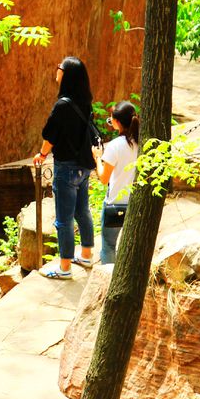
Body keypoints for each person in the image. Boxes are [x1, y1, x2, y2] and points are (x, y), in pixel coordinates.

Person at [32, 56, 97, 279]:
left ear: (66, 74)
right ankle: (87, 255)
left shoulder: (63, 105)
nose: (57, 70)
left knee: (64, 220)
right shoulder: (85, 100)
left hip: (66, 169)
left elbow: (50, 136)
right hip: (83, 167)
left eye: (59, 67)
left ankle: (65, 267)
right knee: (82, 212)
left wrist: (41, 155)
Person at [95, 101, 139, 264]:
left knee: (108, 246)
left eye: (111, 118)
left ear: (117, 122)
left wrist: (97, 158)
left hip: (115, 205)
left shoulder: (115, 146)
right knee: (129, 248)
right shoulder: (141, 143)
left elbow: (103, 178)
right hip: (134, 204)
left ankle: (108, 283)